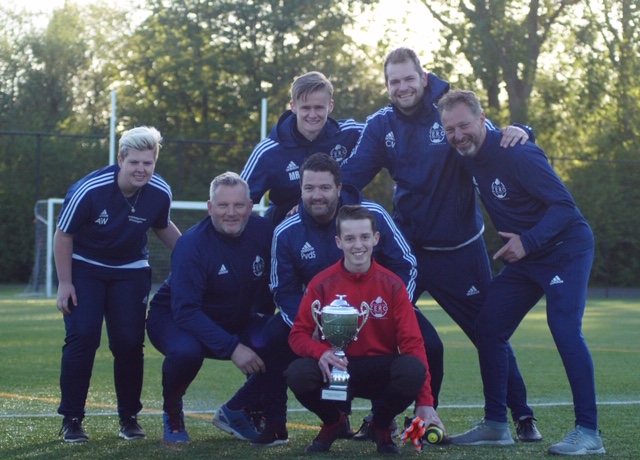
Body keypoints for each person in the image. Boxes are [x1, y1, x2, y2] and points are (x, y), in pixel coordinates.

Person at [340, 46, 542, 442]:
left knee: (489, 332)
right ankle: (382, 418)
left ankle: (522, 415)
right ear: (387, 86)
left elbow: (489, 137)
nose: (402, 87)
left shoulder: (449, 109)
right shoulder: (381, 124)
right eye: (394, 82)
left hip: (460, 253)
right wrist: (344, 220)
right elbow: (350, 179)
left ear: (423, 77)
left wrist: (523, 131)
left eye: (408, 79)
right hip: (407, 255)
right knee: (383, 328)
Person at [219, 152, 441, 445]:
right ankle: (274, 423)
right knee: (271, 338)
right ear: (300, 190)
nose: (317, 195)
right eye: (309, 188)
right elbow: (283, 289)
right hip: (320, 315)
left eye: (324, 187)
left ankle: (420, 420)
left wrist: (391, 306)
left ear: (338, 188)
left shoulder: (371, 215)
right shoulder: (287, 231)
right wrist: (315, 323)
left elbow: (406, 263)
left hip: (379, 305)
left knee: (431, 345)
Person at [439, 90, 604, 455]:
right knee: (488, 328)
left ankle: (589, 432)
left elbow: (565, 207)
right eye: (450, 129)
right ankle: (497, 425)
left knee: (564, 328)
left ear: (483, 119)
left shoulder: (519, 153)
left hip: (564, 249)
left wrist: (528, 242)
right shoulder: (466, 155)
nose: (458, 135)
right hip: (525, 256)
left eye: (464, 125)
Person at [54, 126, 182, 443]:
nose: (141, 169)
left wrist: (194, 258)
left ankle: (129, 418)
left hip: (131, 270)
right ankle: (72, 419)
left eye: (148, 163)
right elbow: (63, 234)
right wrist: (65, 283)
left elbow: (163, 227)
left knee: (128, 343)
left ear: (154, 162)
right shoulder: (89, 189)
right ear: (121, 159)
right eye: (134, 162)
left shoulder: (160, 191)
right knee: (83, 337)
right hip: (86, 268)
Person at [286, 205, 445, 454]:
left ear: (376, 239)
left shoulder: (393, 285)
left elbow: (413, 344)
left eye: (364, 237)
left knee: (413, 371)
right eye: (350, 238)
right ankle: (334, 422)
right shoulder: (321, 283)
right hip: (336, 370)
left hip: (378, 371)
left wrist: (425, 401)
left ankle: (380, 425)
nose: (357, 245)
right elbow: (297, 335)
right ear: (339, 242)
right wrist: (321, 352)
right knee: (298, 374)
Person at [146, 172, 279, 444]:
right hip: (175, 320)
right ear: (210, 207)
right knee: (187, 352)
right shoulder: (191, 245)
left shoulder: (265, 232)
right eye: (223, 205)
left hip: (232, 317)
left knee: (284, 339)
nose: (231, 213)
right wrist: (233, 348)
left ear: (250, 207)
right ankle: (173, 412)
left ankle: (242, 409)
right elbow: (186, 311)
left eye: (238, 205)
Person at [241, 71, 364, 225]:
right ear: (293, 106)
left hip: (338, 226)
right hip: (287, 228)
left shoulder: (349, 134)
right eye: (306, 108)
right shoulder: (269, 151)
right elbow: (237, 199)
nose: (312, 115)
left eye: (319, 108)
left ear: (330, 106)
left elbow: (381, 131)